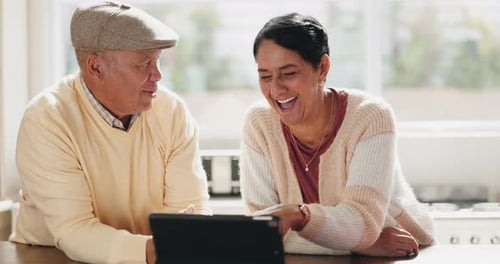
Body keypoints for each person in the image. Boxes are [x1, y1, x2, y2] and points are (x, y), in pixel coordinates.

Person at [9, 1, 211, 263]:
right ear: (95, 67)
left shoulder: (172, 112)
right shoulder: (47, 118)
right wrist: (158, 248)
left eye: (157, 61)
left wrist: (181, 240)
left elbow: (190, 211)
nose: (157, 75)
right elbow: (74, 231)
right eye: (144, 63)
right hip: (52, 257)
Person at [239, 12, 435, 257]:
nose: (276, 89)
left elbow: (364, 223)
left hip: (402, 246)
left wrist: (296, 216)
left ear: (322, 68)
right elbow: (262, 232)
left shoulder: (370, 117)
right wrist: (361, 244)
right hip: (366, 249)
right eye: (265, 76)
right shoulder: (259, 123)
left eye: (289, 74)